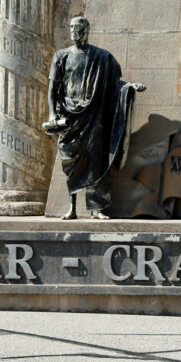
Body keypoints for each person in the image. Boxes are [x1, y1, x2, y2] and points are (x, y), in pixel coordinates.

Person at [43, 16, 144, 219]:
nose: (73, 30)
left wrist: (129, 88)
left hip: (94, 117)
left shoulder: (101, 57)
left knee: (96, 163)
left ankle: (96, 209)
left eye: (77, 27)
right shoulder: (61, 56)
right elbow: (53, 89)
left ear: (86, 30)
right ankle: (72, 208)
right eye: (71, 26)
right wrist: (53, 114)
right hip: (70, 118)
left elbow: (115, 84)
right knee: (70, 163)